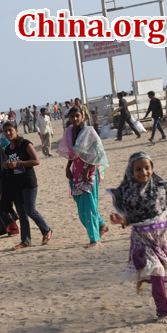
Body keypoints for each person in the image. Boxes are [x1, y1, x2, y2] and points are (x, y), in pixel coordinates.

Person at [107, 152, 167, 324]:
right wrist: (120, 220)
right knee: (157, 271)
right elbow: (128, 217)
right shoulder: (128, 193)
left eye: (147, 168)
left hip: (162, 238)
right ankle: (164, 311)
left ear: (152, 168)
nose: (143, 172)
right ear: (131, 171)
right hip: (141, 239)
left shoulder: (162, 187)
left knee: (158, 275)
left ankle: (143, 278)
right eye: (138, 169)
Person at [57, 106, 109, 248]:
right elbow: (72, 153)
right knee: (81, 209)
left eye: (77, 116)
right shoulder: (69, 131)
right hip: (76, 172)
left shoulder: (89, 131)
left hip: (89, 172)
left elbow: (99, 153)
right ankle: (102, 224)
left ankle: (95, 240)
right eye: (72, 116)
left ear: (82, 116)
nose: (74, 119)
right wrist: (68, 167)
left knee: (89, 207)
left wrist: (89, 169)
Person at [1, 121, 53, 250]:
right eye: (5, 131)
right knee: (22, 213)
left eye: (10, 130)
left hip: (28, 182)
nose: (8, 133)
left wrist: (18, 164)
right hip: (16, 184)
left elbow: (36, 161)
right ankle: (25, 240)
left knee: (31, 210)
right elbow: (10, 165)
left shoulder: (25, 144)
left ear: (16, 130)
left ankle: (46, 230)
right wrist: (7, 165)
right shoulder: (7, 149)